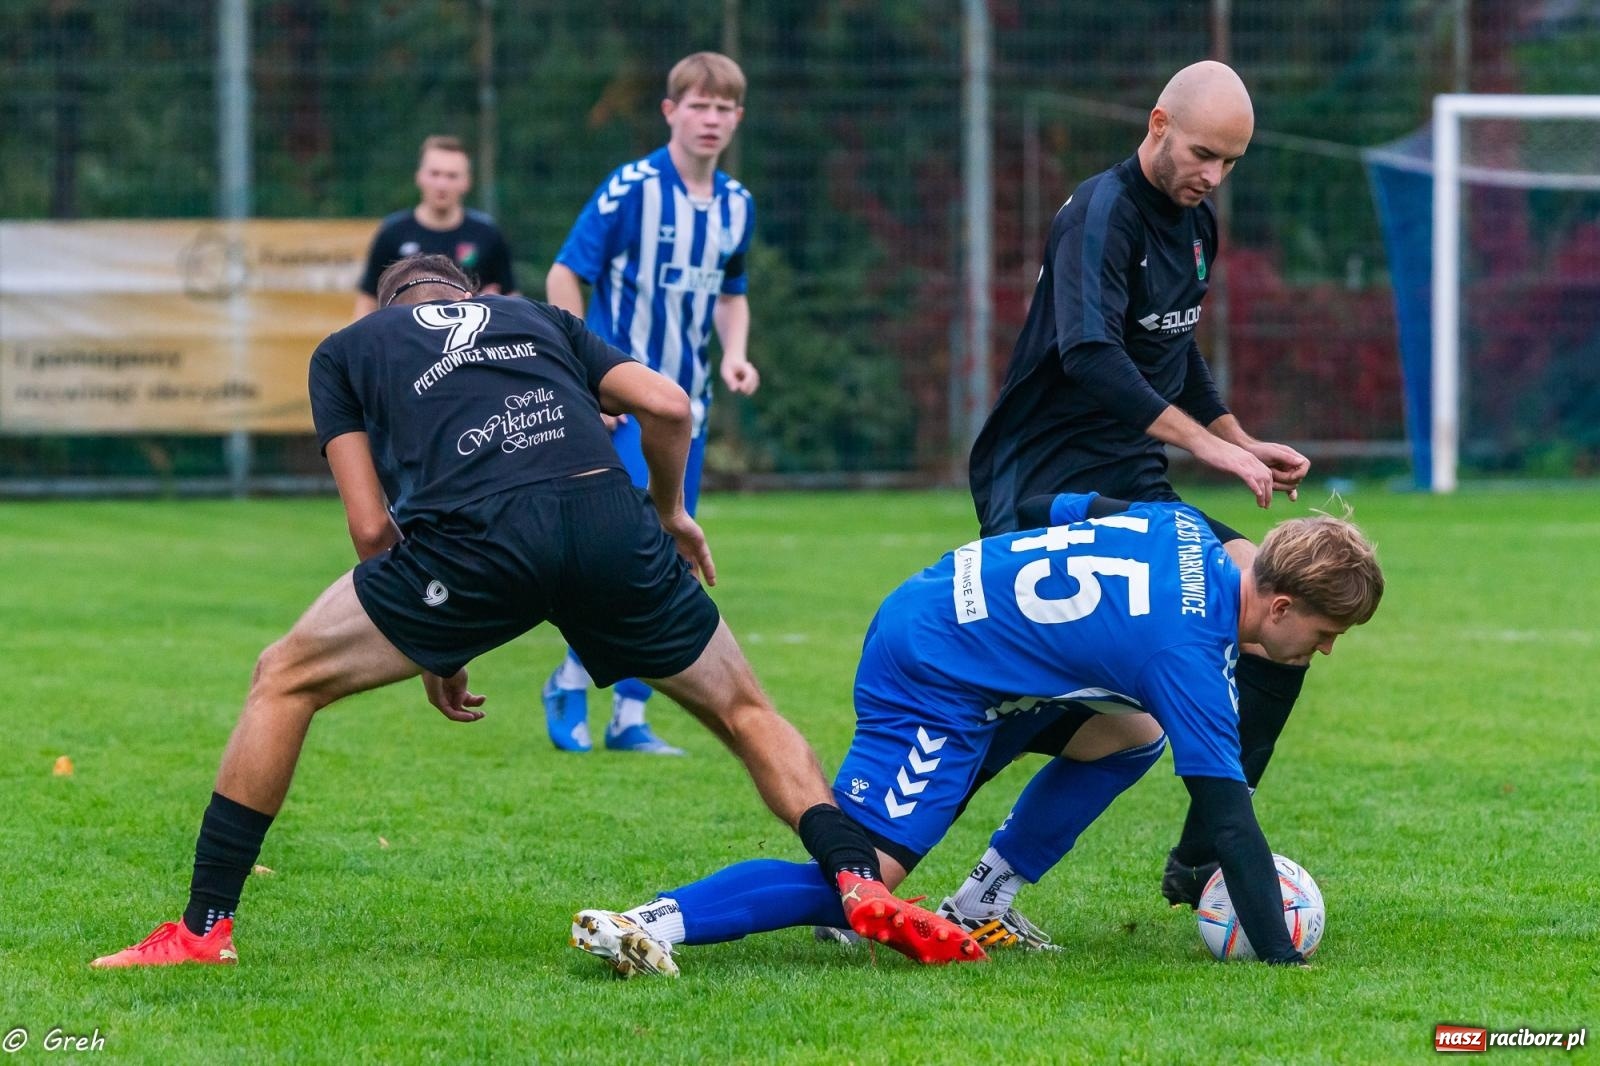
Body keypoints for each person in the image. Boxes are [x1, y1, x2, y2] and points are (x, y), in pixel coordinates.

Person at [90, 254, 973, 969]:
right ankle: (859, 880)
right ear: (473, 297)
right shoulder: (537, 322)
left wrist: (440, 643)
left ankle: (205, 929)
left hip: (476, 543)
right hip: (606, 523)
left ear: (388, 306)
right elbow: (669, 405)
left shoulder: (351, 349)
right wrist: (668, 513)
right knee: (747, 714)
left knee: (282, 679)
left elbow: (369, 529)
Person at [571, 493, 1384, 977]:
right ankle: (649, 922)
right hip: (934, 671)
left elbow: (1055, 508)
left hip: (954, 619)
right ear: (1278, 607)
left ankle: (983, 898)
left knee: (1132, 730)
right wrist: (1281, 959)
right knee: (865, 876)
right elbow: (1229, 818)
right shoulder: (1188, 654)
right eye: (1323, 633)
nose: (1324, 650)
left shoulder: (1185, 532)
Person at [964, 60, 1323, 914]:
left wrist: (1240, 439)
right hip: (1042, 483)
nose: (1212, 175)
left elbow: (1173, 347)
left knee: (1283, 615)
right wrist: (1210, 450)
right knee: (1048, 708)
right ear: (1158, 123)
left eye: (1231, 163)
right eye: (1203, 153)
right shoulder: (1100, 214)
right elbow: (1091, 355)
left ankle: (1200, 860)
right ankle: (871, 852)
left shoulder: (1198, 227)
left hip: (1131, 482)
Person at [540, 51, 760, 756]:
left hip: (684, 409)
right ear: (670, 111)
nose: (711, 119)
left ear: (737, 119)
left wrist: (733, 353)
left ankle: (630, 717)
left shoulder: (736, 205)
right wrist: (580, 375)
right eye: (698, 105)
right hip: (622, 404)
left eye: (724, 108)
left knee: (670, 549)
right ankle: (571, 675)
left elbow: (731, 292)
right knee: (620, 550)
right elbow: (565, 273)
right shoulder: (631, 188)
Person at [352, 135, 517, 319]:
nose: (442, 184)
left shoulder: (488, 234)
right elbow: (367, 301)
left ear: (467, 182)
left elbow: (511, 299)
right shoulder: (392, 233)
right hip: (405, 342)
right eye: (435, 173)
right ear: (419, 176)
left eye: (451, 176)